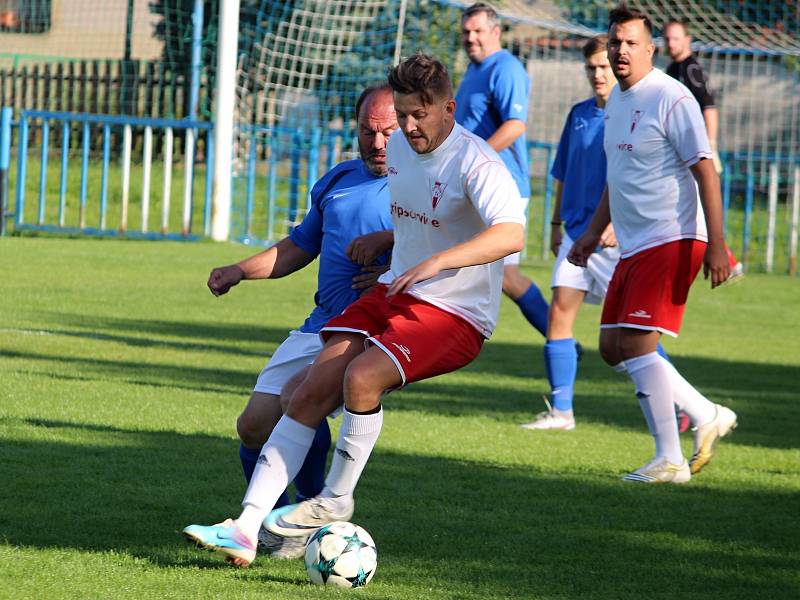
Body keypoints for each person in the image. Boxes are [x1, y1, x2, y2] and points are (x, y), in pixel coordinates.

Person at [183, 52, 527, 566]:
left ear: (449, 108)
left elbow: (510, 233)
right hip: (394, 294)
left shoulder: (477, 162)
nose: (409, 129)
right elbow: (424, 217)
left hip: (455, 311)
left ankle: (335, 497)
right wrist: (391, 238)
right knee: (305, 389)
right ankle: (247, 528)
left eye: (419, 116)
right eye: (403, 116)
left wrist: (437, 261)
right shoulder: (405, 155)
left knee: (361, 379)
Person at [200, 84, 398, 557]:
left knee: (297, 401)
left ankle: (299, 520)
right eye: (368, 132)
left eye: (388, 132)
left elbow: (444, 247)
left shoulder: (422, 189)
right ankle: (283, 523)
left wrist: (390, 267)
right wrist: (240, 271)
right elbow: (298, 247)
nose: (377, 143)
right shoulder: (337, 180)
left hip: (369, 330)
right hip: (318, 324)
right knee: (252, 425)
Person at [568, 5, 737, 484]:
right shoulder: (617, 103)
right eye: (615, 41)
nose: (621, 50)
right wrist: (591, 232)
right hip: (634, 244)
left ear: (650, 49)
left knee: (639, 343)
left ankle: (670, 459)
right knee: (611, 347)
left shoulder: (672, 97)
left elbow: (706, 169)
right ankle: (705, 412)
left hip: (673, 236)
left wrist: (718, 245)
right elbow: (614, 178)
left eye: (630, 43)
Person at [521, 35, 671, 431]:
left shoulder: (634, 114)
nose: (597, 74)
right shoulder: (579, 114)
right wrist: (555, 224)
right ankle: (562, 412)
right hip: (576, 234)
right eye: (591, 67)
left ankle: (679, 402)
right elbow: (562, 175)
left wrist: (622, 228)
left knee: (635, 334)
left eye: (604, 66)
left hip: (612, 239)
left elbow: (645, 180)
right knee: (559, 314)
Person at [454, 2, 550, 339]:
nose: (471, 38)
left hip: (502, 185)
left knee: (502, 274)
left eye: (478, 31)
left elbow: (515, 125)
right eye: (466, 31)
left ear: (495, 32)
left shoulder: (505, 68)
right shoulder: (473, 70)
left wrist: (476, 156)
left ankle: (560, 337)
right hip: (473, 183)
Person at [664, 19, 744, 281]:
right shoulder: (672, 68)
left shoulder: (691, 69)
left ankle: (727, 259)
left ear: (687, 40)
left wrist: (709, 146)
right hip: (679, 151)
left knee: (698, 205)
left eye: (676, 38)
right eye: (667, 38)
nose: (670, 43)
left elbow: (709, 106)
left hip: (696, 150)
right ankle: (726, 259)